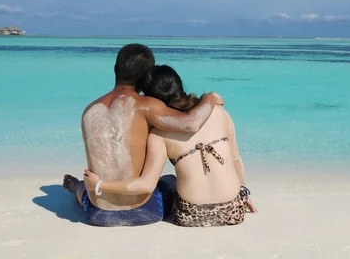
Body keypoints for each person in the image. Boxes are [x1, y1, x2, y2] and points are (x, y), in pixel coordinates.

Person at [63, 44, 223, 226]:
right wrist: (209, 98)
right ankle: (82, 189)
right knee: (169, 181)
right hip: (145, 211)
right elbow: (190, 123)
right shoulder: (146, 105)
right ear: (146, 76)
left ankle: (79, 189)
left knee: (89, 187)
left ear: (115, 69)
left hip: (98, 214)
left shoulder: (90, 110)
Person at [83, 64, 257, 227]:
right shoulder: (219, 112)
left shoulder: (159, 133)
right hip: (234, 211)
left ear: (152, 99)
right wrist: (243, 193)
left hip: (190, 216)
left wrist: (99, 185)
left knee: (169, 181)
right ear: (179, 84)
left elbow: (146, 184)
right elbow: (235, 159)